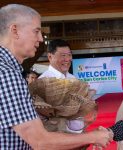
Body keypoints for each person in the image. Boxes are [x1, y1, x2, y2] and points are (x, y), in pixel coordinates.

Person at [0, 4, 112, 149]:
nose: (41, 39)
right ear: (15, 30)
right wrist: (92, 136)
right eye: (36, 31)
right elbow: (40, 141)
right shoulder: (6, 74)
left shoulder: (9, 71)